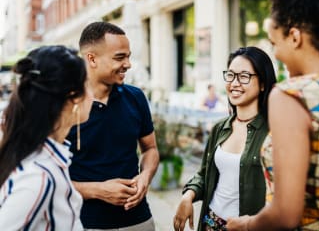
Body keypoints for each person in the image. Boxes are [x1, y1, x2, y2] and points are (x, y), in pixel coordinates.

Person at [226, 0, 319, 230]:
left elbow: (285, 213)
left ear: (295, 37)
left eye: (275, 43)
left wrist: (246, 225)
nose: (275, 54)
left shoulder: (292, 95)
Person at [67, 21, 159, 230]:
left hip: (139, 220)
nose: (128, 64)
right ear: (92, 59)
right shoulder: (63, 106)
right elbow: (48, 179)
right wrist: (98, 190)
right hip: (83, 223)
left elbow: (150, 149)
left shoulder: (136, 97)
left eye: (128, 56)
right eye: (119, 57)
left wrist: (145, 176)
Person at [173, 46, 276, 231]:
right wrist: (187, 196)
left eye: (244, 76)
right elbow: (205, 174)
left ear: (262, 84)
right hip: (210, 223)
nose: (235, 83)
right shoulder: (220, 128)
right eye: (230, 75)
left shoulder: (274, 132)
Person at [0, 45, 92, 230]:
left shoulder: (49, 157)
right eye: (87, 85)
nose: (92, 94)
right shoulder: (39, 177)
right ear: (73, 97)